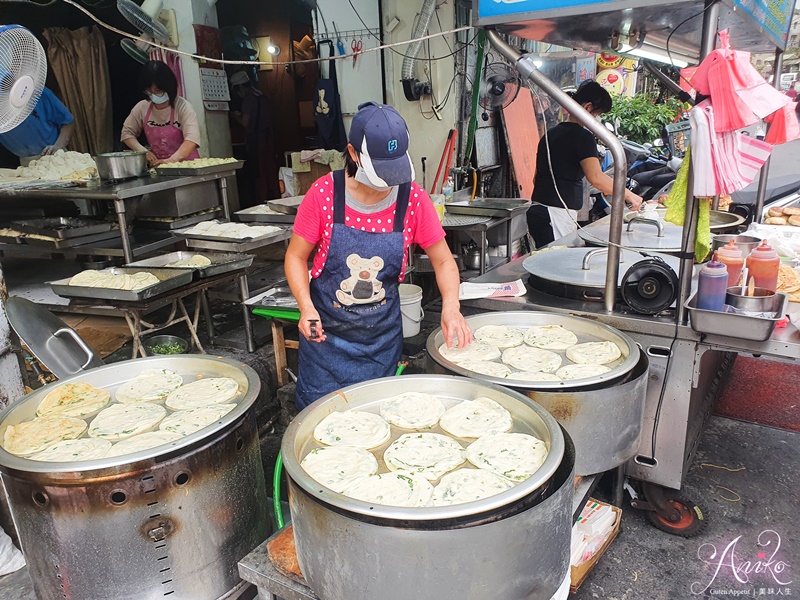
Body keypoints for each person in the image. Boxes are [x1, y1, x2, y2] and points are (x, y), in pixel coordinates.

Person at [285, 101, 472, 409]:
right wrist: (306, 308)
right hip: (325, 345)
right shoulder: (323, 194)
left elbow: (442, 260)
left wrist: (451, 307)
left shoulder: (412, 198)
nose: (389, 183)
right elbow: (295, 257)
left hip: (380, 345)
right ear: (353, 153)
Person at [527, 81, 643, 248]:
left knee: (544, 263)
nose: (597, 119)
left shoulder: (550, 134)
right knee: (556, 266)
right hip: (556, 215)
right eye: (597, 114)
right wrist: (629, 195)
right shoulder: (583, 137)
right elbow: (596, 178)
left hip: (538, 210)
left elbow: (535, 178)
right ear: (588, 107)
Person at [121, 61, 201, 166]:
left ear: (169, 87)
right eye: (149, 91)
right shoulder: (142, 107)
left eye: (158, 91)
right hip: (159, 166)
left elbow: (191, 140)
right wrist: (143, 151)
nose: (154, 95)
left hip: (187, 165)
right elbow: (127, 134)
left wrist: (171, 161)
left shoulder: (183, 107)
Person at [229, 71, 279, 204]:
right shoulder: (261, 95)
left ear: (239, 87)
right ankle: (274, 199)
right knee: (270, 170)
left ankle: (262, 201)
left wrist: (235, 117)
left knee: (259, 172)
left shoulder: (248, 99)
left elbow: (245, 122)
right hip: (269, 138)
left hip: (258, 140)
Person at [0, 87, 74, 164]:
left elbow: (68, 122)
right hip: (27, 163)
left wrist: (58, 146)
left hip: (56, 156)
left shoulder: (39, 93)